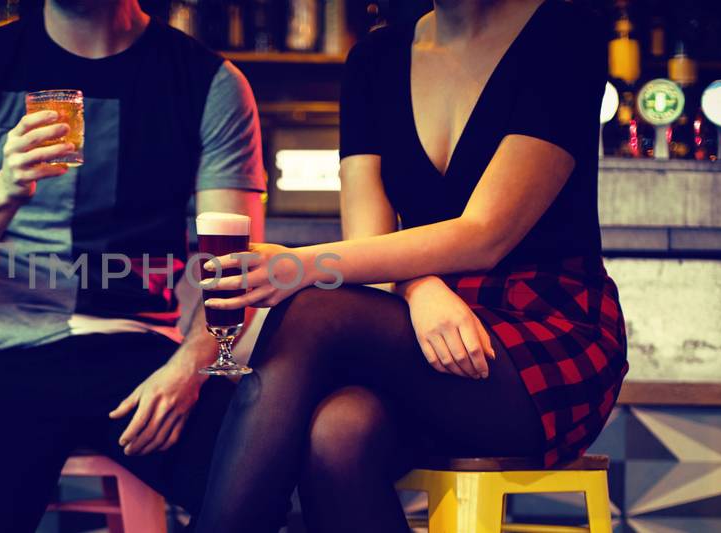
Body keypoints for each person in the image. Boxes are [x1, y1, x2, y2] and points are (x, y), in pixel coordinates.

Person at [194, 1, 626, 531]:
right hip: (419, 332)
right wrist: (419, 290)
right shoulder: (375, 58)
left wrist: (299, 264)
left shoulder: (564, 32)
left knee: (313, 309)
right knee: (337, 432)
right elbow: (368, 240)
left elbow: (487, 233)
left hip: (545, 333)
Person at [0, 0, 266, 530]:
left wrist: (188, 371)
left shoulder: (209, 81)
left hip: (142, 350)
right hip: (4, 350)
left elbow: (237, 268)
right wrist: (6, 187)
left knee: (262, 487)